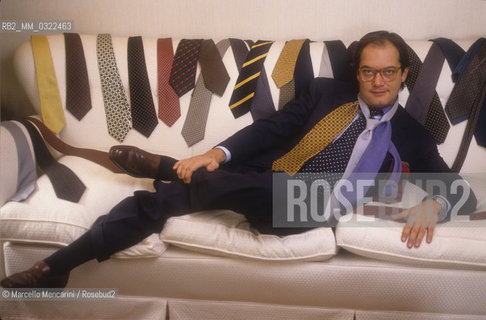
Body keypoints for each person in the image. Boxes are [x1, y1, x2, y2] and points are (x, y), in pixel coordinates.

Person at [1, 31, 476, 288]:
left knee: (211, 185)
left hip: (314, 207)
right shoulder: (323, 92)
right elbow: (270, 130)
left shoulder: (411, 131)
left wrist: (434, 203)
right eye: (369, 71)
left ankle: (167, 167)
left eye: (388, 72)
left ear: (403, 74)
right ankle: (58, 265)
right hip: (264, 180)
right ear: (358, 72)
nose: (377, 82)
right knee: (170, 199)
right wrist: (215, 153)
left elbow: (462, 190)